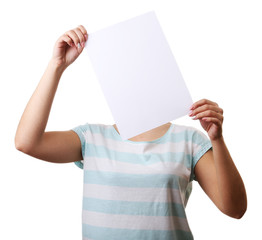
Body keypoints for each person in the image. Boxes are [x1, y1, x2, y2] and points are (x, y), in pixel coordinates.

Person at [15, 25, 247, 240]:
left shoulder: (189, 140)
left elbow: (235, 209)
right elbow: (27, 142)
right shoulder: (92, 138)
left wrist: (217, 139)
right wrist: (56, 66)